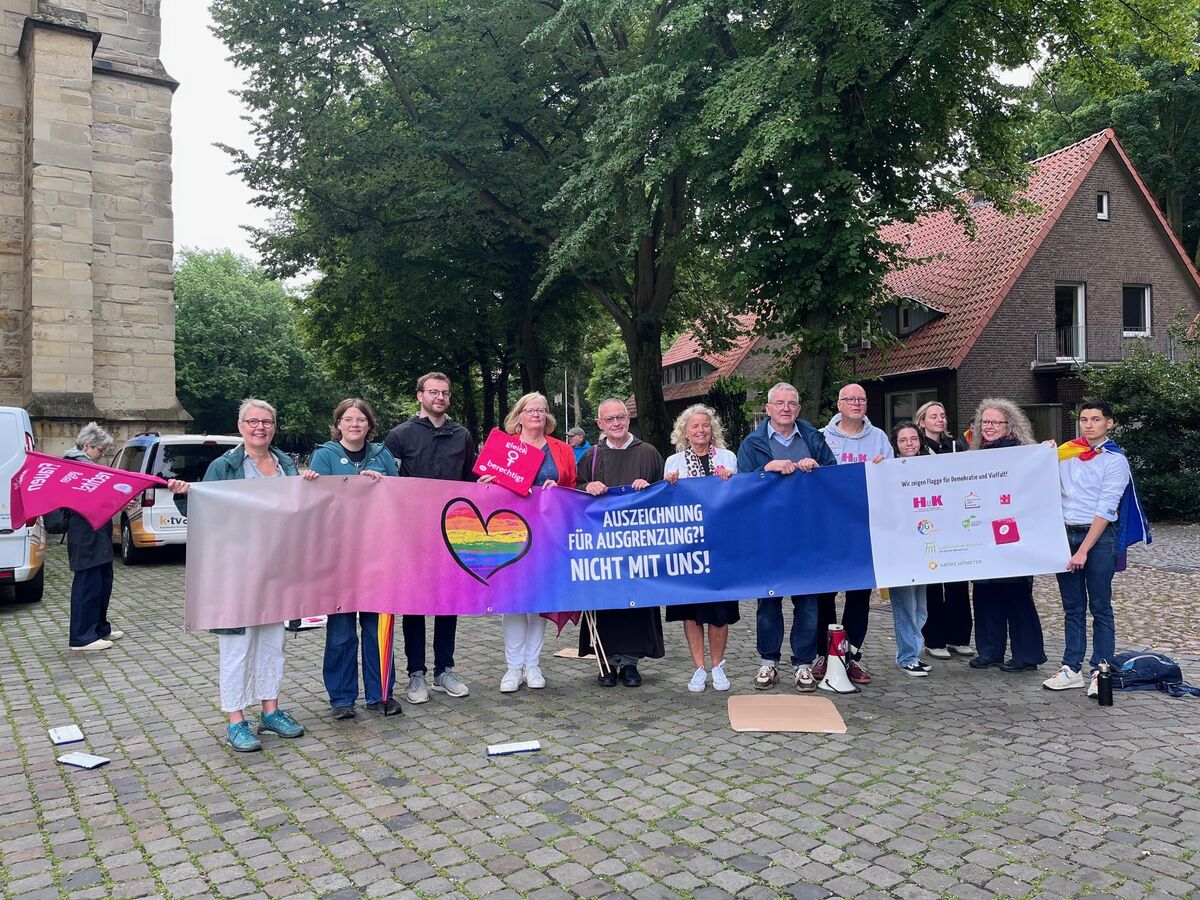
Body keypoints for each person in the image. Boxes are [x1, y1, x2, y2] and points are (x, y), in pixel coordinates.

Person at [167, 399, 305, 752]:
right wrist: (186, 495)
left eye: (267, 422)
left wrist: (311, 483)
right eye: (253, 421)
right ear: (241, 426)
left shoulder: (287, 465)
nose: (260, 428)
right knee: (237, 646)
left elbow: (302, 508)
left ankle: (270, 711)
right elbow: (206, 507)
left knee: (272, 643)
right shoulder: (224, 466)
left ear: (274, 426)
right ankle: (236, 720)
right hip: (237, 571)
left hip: (278, 568)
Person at [383, 372, 477, 703]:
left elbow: (470, 482)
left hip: (451, 531)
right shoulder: (399, 435)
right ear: (420, 395)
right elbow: (388, 483)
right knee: (414, 604)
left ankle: (444, 670)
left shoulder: (462, 435)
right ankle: (416, 674)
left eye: (445, 393)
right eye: (433, 392)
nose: (440, 397)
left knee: (448, 602)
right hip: (411, 534)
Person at [1043, 400, 1148, 696]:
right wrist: (1044, 455)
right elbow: (1040, 482)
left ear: (1109, 424)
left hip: (1099, 538)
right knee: (1072, 607)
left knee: (1100, 606)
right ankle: (1070, 668)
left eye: (1096, 419)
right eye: (1084, 419)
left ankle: (1100, 671)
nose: (1088, 424)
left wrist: (1083, 550)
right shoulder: (1065, 454)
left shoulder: (1115, 461)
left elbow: (1106, 508)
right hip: (1066, 533)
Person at [736, 382, 835, 692]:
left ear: (798, 408)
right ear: (768, 409)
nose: (786, 408)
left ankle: (803, 665)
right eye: (779, 403)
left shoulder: (814, 438)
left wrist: (817, 468)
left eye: (791, 403)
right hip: (769, 536)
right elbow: (740, 487)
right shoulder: (752, 444)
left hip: (808, 534)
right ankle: (768, 662)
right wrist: (765, 468)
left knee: (808, 603)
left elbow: (834, 475)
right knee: (768, 603)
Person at [306, 399, 401, 719]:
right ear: (338, 424)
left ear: (369, 425)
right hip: (339, 556)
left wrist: (382, 485)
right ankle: (342, 699)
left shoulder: (383, 455)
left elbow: (400, 499)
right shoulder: (324, 455)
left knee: (378, 628)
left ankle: (381, 694)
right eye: (348, 419)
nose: (354, 424)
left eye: (361, 419)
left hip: (378, 554)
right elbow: (316, 503)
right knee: (341, 631)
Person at [577, 398, 665, 687]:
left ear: (628, 419)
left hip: (639, 544)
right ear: (600, 424)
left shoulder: (649, 453)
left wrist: (650, 489)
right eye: (609, 419)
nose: (616, 423)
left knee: (635, 604)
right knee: (605, 602)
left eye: (620, 417)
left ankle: (629, 663)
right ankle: (606, 662)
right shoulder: (591, 456)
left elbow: (666, 495)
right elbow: (574, 494)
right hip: (601, 545)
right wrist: (586, 486)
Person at [497, 393, 577, 693]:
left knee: (539, 600)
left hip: (548, 532)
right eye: (530, 410)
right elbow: (488, 486)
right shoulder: (505, 447)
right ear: (519, 416)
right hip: (510, 532)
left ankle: (532, 664)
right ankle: (513, 667)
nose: (536, 415)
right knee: (513, 601)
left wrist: (559, 488)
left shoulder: (562, 449)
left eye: (541, 410)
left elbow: (573, 487)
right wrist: (489, 483)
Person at [815, 383, 893, 685]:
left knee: (859, 595)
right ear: (839, 404)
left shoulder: (879, 438)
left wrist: (885, 468)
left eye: (861, 399)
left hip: (864, 528)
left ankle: (851, 655)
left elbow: (892, 478)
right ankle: (825, 654)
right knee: (824, 593)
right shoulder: (821, 437)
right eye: (850, 399)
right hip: (830, 529)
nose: (856, 403)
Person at [966, 398, 1047, 673]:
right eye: (984, 422)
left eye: (995, 422)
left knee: (1016, 594)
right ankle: (990, 650)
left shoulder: (1021, 453)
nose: (988, 427)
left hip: (1012, 533)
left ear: (1009, 425)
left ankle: (1027, 655)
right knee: (985, 592)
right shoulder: (975, 454)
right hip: (982, 532)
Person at [663, 404, 739, 692]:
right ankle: (698, 668)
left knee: (719, 609)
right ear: (685, 431)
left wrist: (730, 482)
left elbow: (738, 497)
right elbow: (668, 504)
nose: (700, 430)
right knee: (691, 609)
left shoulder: (728, 458)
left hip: (720, 544)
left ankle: (718, 666)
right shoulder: (673, 462)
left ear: (712, 429)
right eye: (694, 426)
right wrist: (669, 484)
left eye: (705, 425)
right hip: (688, 547)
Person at [914, 400, 974, 660]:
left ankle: (958, 637)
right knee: (933, 583)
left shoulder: (957, 446)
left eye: (942, 415)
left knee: (958, 582)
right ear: (922, 421)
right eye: (933, 416)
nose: (940, 419)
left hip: (954, 520)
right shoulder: (917, 448)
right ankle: (934, 638)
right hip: (928, 521)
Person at [58, 424, 120, 652]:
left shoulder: (88, 467)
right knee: (87, 584)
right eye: (100, 450)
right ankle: (81, 637)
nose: (102, 455)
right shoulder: (73, 467)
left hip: (98, 533)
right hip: (85, 535)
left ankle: (99, 628)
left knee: (103, 582)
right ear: (87, 446)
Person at [881, 423, 931, 676]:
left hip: (923, 546)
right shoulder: (886, 470)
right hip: (898, 548)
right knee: (905, 605)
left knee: (920, 606)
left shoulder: (930, 468)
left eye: (913, 439)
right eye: (903, 440)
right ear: (896, 445)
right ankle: (907, 656)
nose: (909, 444)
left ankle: (915, 651)